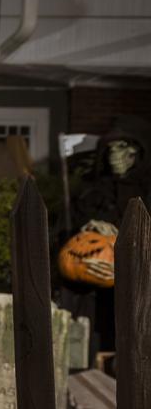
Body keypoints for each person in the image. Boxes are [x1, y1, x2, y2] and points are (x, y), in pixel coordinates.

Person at [58, 115, 151, 356]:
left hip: (139, 289)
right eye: (110, 149)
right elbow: (66, 237)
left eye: (123, 148)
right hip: (93, 290)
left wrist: (122, 236)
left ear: (137, 152)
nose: (114, 155)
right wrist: (87, 228)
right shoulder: (91, 190)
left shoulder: (146, 191)